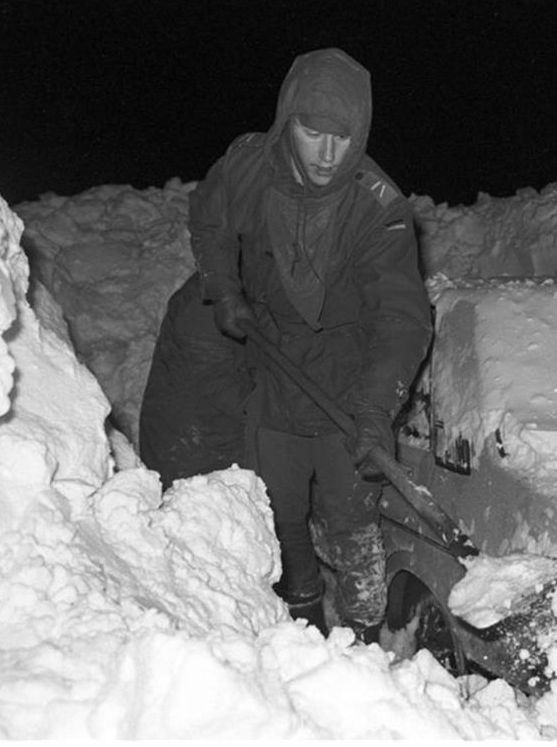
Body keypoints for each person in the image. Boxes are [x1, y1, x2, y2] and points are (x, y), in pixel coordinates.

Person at [187, 47, 433, 641]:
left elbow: (402, 318)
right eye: (311, 131)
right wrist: (224, 287)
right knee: (281, 513)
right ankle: (302, 623)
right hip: (271, 374)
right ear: (286, 121)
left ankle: (369, 640)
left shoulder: (379, 209)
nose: (327, 153)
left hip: (348, 382)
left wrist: (375, 408)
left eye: (343, 137)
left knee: (352, 519)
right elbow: (210, 220)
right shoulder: (246, 168)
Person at [139, 273, 253, 490]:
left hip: (215, 432)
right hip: (192, 447)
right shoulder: (206, 302)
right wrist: (278, 405)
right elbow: (215, 382)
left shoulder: (244, 286)